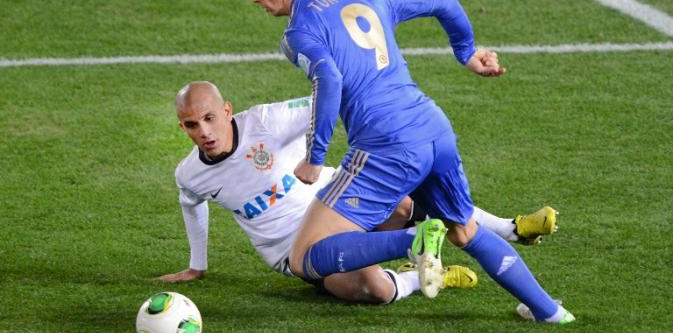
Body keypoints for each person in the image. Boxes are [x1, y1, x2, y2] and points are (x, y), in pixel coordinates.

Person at [242, 0, 574, 323]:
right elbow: (444, 1)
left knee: (304, 256)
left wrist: (315, 156)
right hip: (434, 128)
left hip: (386, 144)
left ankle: (414, 241)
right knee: (464, 230)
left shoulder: (299, 31)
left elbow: (329, 79)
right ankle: (550, 312)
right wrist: (466, 52)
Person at [158, 81, 557, 305]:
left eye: (210, 119)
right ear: (183, 128)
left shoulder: (267, 121)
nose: (204, 132)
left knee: (404, 199)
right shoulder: (191, 174)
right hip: (293, 252)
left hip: (339, 205)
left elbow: (328, 99)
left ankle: (512, 228)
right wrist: (197, 265)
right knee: (377, 292)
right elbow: (190, 205)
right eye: (192, 125)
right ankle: (421, 277)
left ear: (227, 110)